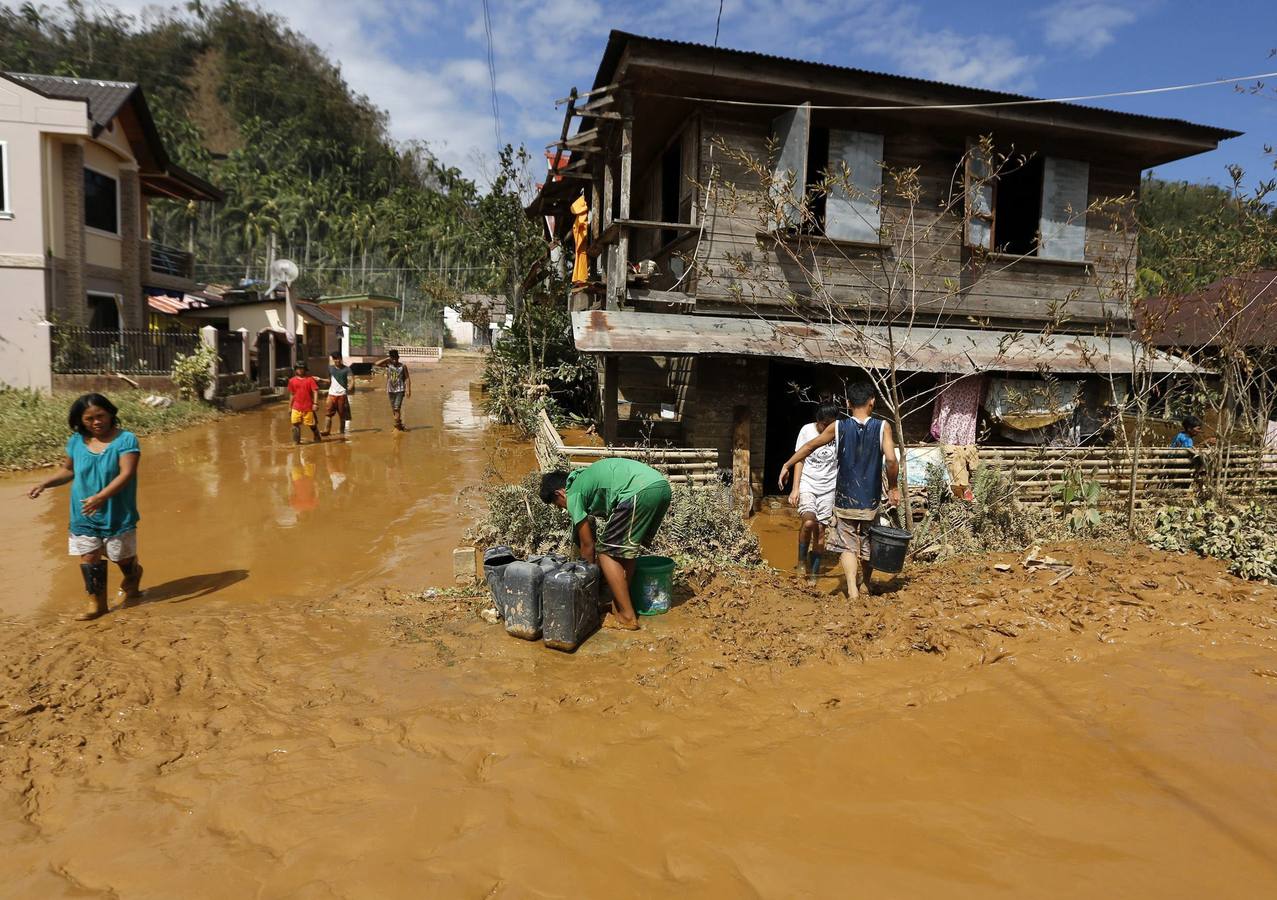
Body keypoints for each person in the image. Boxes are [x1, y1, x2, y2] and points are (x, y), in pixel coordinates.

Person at [779, 382, 900, 601]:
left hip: (845, 498)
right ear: (872, 401)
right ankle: (866, 585)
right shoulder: (883, 427)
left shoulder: (838, 427)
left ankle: (852, 589)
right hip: (870, 500)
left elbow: (808, 447)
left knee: (848, 545)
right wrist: (893, 487)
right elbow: (891, 460)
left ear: (848, 403)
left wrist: (787, 465)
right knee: (868, 542)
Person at [27, 394, 143, 620]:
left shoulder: (126, 440)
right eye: (89, 419)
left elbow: (127, 473)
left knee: (121, 558)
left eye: (100, 416)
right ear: (81, 421)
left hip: (117, 513)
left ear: (110, 413)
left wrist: (101, 497)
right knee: (89, 558)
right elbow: (69, 471)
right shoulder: (76, 441)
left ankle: (133, 573)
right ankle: (96, 604)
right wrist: (44, 483)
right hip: (83, 513)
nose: (96, 422)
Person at [539, 459, 672, 631]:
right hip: (660, 487)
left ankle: (627, 617)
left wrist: (588, 581)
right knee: (624, 551)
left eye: (558, 506)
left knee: (605, 552)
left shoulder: (573, 493)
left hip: (639, 491)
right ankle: (619, 606)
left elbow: (588, 546)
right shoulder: (582, 478)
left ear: (560, 493)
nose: (562, 509)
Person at [789, 401, 841, 583]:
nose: (827, 428)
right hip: (808, 484)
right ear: (817, 421)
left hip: (828, 487)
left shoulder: (840, 432)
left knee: (820, 529)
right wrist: (795, 489)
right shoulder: (807, 431)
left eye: (830, 424)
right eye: (823, 424)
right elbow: (800, 459)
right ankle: (802, 562)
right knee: (809, 522)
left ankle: (815, 572)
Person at [930, 375, 985, 501]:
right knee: (961, 474)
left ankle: (964, 496)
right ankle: (965, 495)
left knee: (958, 473)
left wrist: (935, 425)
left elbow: (938, 405)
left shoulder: (946, 379)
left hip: (951, 440)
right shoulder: (975, 381)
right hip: (966, 440)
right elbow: (983, 401)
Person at [374, 349, 410, 431]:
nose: (394, 360)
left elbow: (407, 378)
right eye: (392, 359)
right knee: (394, 409)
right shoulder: (388, 365)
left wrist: (408, 389)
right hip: (390, 390)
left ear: (398, 357)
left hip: (400, 390)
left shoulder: (403, 366)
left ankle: (396, 427)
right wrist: (387, 359)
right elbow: (376, 364)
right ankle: (399, 425)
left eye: (395, 358)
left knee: (397, 408)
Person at [287, 362, 323, 444]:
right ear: (295, 369)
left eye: (302, 368)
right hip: (296, 406)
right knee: (295, 424)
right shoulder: (292, 381)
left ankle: (317, 436)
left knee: (312, 425)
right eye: (298, 368)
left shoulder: (310, 379)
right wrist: (290, 407)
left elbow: (315, 391)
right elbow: (292, 394)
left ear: (305, 369)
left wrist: (315, 403)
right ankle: (297, 442)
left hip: (308, 406)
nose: (300, 370)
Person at [322, 351, 353, 436]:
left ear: (341, 359)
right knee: (328, 413)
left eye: (338, 359)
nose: (337, 361)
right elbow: (329, 380)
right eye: (335, 359)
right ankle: (326, 430)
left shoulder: (347, 369)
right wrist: (320, 380)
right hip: (331, 394)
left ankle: (341, 431)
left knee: (342, 415)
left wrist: (349, 388)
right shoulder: (330, 368)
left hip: (342, 395)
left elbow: (351, 381)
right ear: (333, 360)